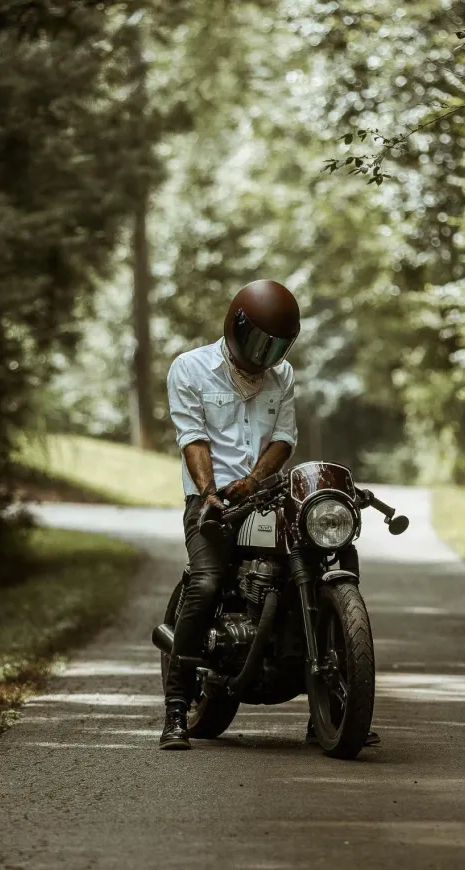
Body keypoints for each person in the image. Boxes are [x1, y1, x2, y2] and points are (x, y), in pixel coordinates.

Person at [159, 279, 379, 750]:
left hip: (263, 494)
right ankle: (176, 709)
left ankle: (331, 706)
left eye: (277, 346)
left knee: (329, 554)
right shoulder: (191, 368)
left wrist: (256, 481)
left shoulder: (283, 376)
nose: (266, 354)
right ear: (236, 326)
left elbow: (284, 438)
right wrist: (210, 494)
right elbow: (192, 438)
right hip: (212, 501)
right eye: (260, 342)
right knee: (207, 582)